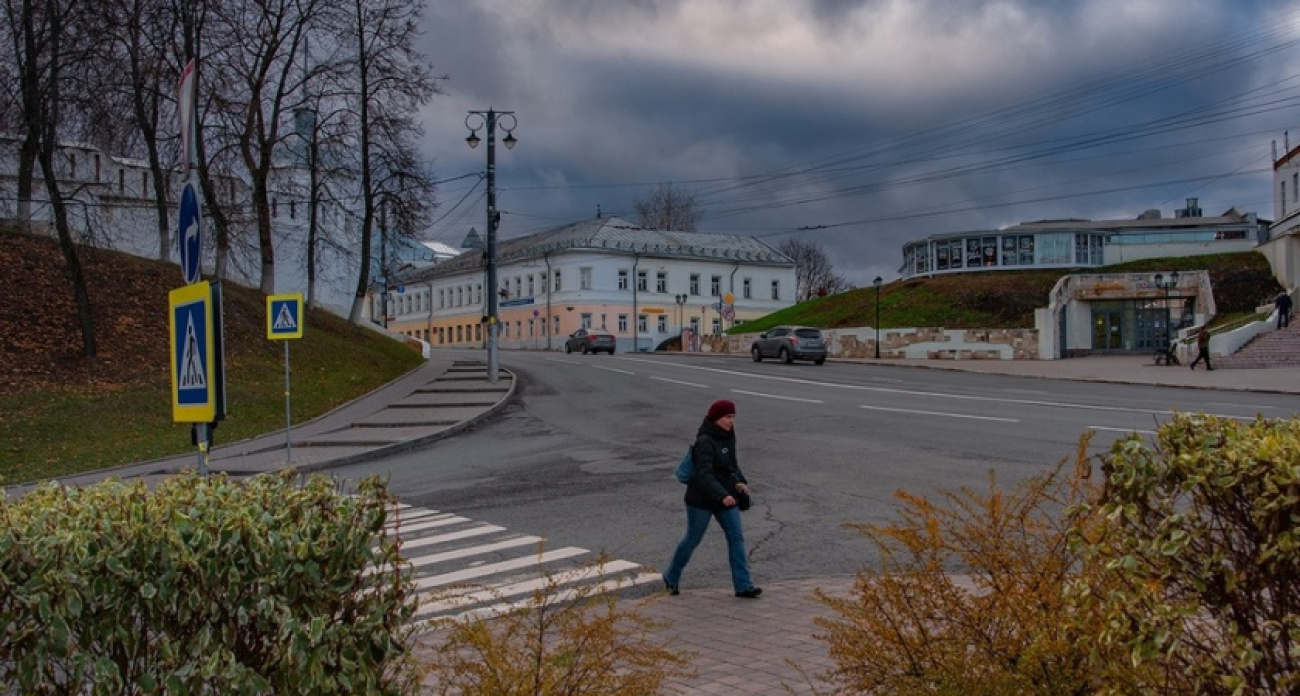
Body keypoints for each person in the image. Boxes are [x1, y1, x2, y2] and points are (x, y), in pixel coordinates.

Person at [662, 399, 762, 599]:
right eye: (727, 417)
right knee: (692, 539)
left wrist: (740, 482)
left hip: (726, 497)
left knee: (737, 538)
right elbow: (704, 475)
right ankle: (671, 576)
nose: (731, 421)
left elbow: (732, 464)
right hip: (701, 499)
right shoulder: (704, 441)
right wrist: (722, 495)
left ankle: (743, 586)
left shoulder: (728, 436)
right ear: (716, 418)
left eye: (733, 417)